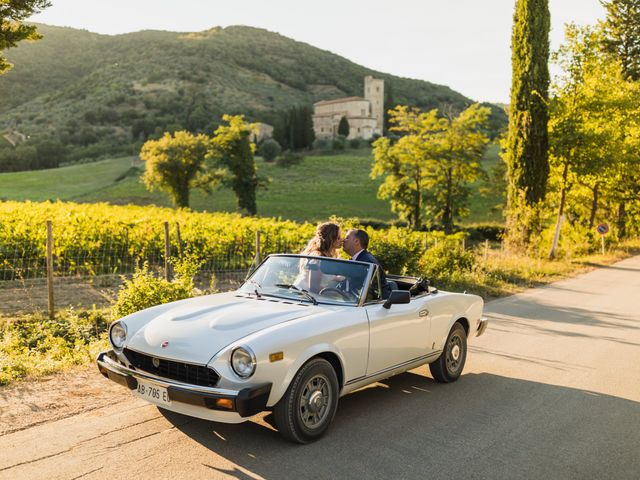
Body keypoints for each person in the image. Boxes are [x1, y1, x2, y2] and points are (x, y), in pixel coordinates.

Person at [342, 228, 392, 299]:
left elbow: (363, 290)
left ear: (356, 241)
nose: (343, 240)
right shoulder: (358, 259)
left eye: (347, 238)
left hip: (378, 304)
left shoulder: (367, 262)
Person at [299, 222, 343, 292]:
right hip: (303, 296)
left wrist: (337, 278)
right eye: (338, 238)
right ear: (331, 239)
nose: (342, 240)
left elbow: (323, 275)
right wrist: (336, 294)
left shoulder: (327, 256)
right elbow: (314, 287)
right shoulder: (318, 258)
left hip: (314, 298)